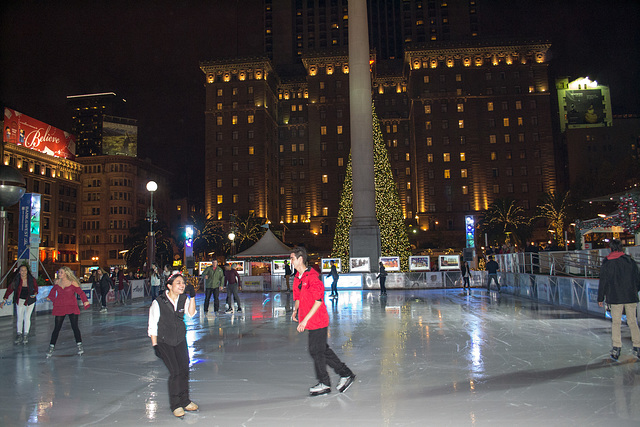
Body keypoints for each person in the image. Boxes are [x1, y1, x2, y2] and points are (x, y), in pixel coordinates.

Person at [291, 246, 355, 396]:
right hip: (310, 321)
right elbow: (298, 297)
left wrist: (304, 320)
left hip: (318, 320)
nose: (291, 261)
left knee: (316, 351)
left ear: (300, 259)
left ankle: (326, 382)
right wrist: (295, 311)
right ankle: (345, 374)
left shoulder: (313, 277)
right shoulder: (297, 278)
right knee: (321, 350)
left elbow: (318, 301)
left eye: (292, 258)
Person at [148, 273, 198, 418]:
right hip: (164, 341)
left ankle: (185, 400)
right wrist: (155, 345)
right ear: (169, 286)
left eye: (183, 283)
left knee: (184, 369)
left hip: (180, 339)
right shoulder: (159, 302)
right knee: (175, 371)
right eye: (178, 283)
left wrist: (193, 296)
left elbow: (191, 313)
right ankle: (176, 405)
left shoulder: (184, 299)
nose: (182, 285)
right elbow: (152, 325)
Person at [597, 239, 640, 361]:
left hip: (615, 297)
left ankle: (616, 348)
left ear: (610, 248)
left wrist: (601, 297)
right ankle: (637, 347)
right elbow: (637, 278)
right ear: (622, 248)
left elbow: (603, 281)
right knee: (632, 322)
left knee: (616, 323)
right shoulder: (630, 261)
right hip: (630, 296)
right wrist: (634, 291)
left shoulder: (607, 262)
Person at [46, 267, 90, 357]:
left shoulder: (72, 282)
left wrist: (85, 301)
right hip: (60, 307)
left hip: (71, 306)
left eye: (61, 272)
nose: (59, 274)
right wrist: (50, 297)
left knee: (74, 327)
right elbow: (53, 291)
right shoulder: (57, 282)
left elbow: (80, 293)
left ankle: (79, 345)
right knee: (57, 328)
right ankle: (51, 346)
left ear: (66, 273)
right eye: (59, 272)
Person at [1, 264, 38, 344]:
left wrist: (35, 293)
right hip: (20, 300)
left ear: (27, 271)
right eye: (22, 270)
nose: (23, 272)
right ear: (19, 272)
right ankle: (19, 334)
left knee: (27, 317)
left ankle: (25, 335)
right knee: (20, 317)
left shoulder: (31, 279)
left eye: (25, 270)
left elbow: (36, 288)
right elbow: (10, 289)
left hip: (30, 300)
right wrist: (4, 299)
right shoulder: (16, 280)